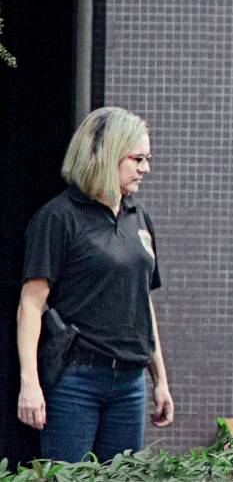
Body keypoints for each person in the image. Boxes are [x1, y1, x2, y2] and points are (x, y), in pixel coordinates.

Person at [16, 107, 173, 462]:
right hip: (77, 380)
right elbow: (31, 304)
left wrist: (160, 379)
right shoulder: (59, 217)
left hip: (131, 382)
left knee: (122, 475)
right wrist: (30, 382)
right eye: (137, 158)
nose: (145, 168)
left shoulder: (139, 216)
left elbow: (141, 302)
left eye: (147, 158)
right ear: (105, 155)